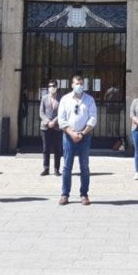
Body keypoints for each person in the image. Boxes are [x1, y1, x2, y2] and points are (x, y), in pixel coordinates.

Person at [57, 75, 97, 205]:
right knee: (67, 166)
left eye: (81, 83)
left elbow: (93, 118)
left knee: (84, 167)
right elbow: (61, 119)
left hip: (84, 137)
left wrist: (83, 133)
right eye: (76, 83)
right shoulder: (65, 99)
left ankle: (84, 194)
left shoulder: (89, 100)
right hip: (68, 137)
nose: (79, 85)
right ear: (72, 85)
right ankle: (65, 194)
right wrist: (71, 133)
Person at [39, 79, 63, 177]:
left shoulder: (61, 99)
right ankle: (46, 168)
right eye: (49, 86)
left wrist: (54, 121)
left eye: (53, 86)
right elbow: (41, 112)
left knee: (57, 148)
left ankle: (56, 169)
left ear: (56, 87)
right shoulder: (44, 98)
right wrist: (48, 122)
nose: (51, 88)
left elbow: (62, 112)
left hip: (57, 127)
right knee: (46, 148)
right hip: (45, 127)